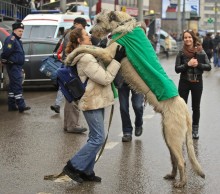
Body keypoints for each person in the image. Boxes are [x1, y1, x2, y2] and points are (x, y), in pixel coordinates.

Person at [62, 28, 125, 182]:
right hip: (91, 101)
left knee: (94, 136)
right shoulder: (85, 58)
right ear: (79, 40)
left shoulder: (89, 54)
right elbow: (105, 78)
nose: (89, 36)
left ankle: (87, 171)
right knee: (98, 138)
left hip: (97, 100)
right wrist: (117, 60)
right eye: (85, 35)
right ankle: (73, 166)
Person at [50, 17, 90, 134]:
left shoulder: (68, 32)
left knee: (69, 97)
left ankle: (68, 124)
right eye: (83, 27)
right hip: (71, 69)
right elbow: (71, 53)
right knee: (74, 96)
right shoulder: (73, 35)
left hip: (67, 67)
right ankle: (72, 125)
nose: (84, 29)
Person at [175, 30, 211, 139]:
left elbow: (208, 66)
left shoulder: (200, 51)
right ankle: (183, 128)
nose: (187, 39)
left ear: (193, 38)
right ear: (183, 39)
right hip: (184, 82)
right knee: (182, 107)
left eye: (189, 37)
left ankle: (195, 130)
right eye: (185, 38)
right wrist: (188, 64)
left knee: (196, 107)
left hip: (197, 82)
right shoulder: (181, 52)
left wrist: (198, 65)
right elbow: (177, 69)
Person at [1, 22, 31, 113]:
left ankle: (12, 105)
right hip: (13, 65)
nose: (21, 33)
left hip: (16, 66)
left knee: (12, 86)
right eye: (19, 31)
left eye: (22, 31)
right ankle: (21, 106)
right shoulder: (11, 39)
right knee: (17, 85)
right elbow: (6, 52)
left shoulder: (17, 40)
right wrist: (5, 60)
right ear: (14, 30)